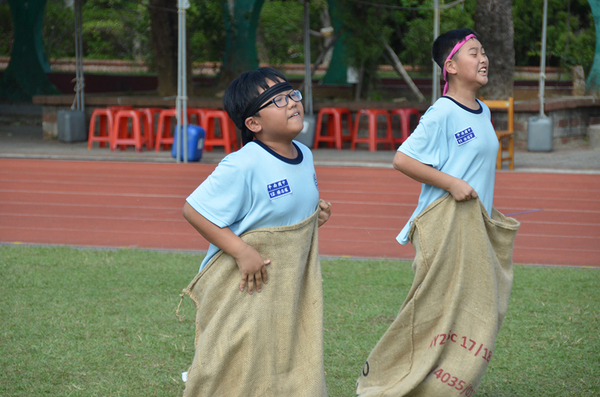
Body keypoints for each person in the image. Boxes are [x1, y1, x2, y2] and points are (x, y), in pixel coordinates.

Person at [182, 67, 331, 294]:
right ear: (253, 124)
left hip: (282, 280)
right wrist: (242, 252)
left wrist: (313, 216)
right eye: (278, 100)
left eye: (291, 94)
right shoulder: (243, 164)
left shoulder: (305, 154)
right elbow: (194, 211)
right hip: (240, 284)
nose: (291, 102)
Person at [393, 28, 498, 245]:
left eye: (484, 53)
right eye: (474, 53)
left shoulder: (484, 111)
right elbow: (402, 160)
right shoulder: (443, 111)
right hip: (444, 231)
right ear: (451, 66)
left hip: (473, 227)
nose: (483, 59)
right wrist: (452, 184)